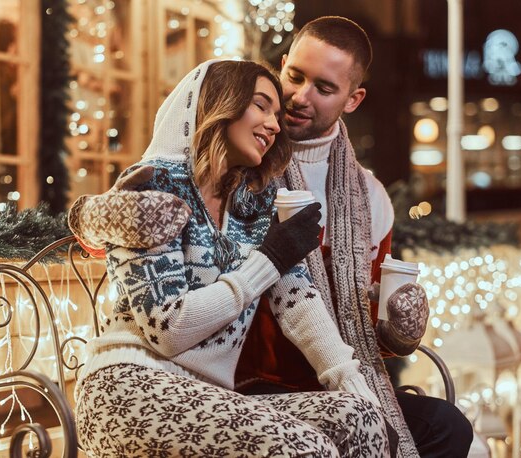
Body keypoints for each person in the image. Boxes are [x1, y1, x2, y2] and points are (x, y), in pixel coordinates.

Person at [71, 60, 390, 457]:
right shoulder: (152, 190)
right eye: (261, 106)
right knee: (308, 449)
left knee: (360, 419)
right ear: (220, 104)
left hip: (210, 398)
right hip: (128, 387)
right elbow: (167, 329)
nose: (275, 125)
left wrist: (358, 389)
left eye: (276, 113)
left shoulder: (253, 207)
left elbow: (300, 305)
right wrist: (267, 261)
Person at [234, 17, 474, 458]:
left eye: (324, 88)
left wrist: (396, 331)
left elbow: (365, 324)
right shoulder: (244, 162)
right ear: (281, 65)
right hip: (251, 386)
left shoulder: (371, 197)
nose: (300, 97)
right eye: (295, 76)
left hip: (347, 384)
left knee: (448, 426)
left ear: (353, 99)